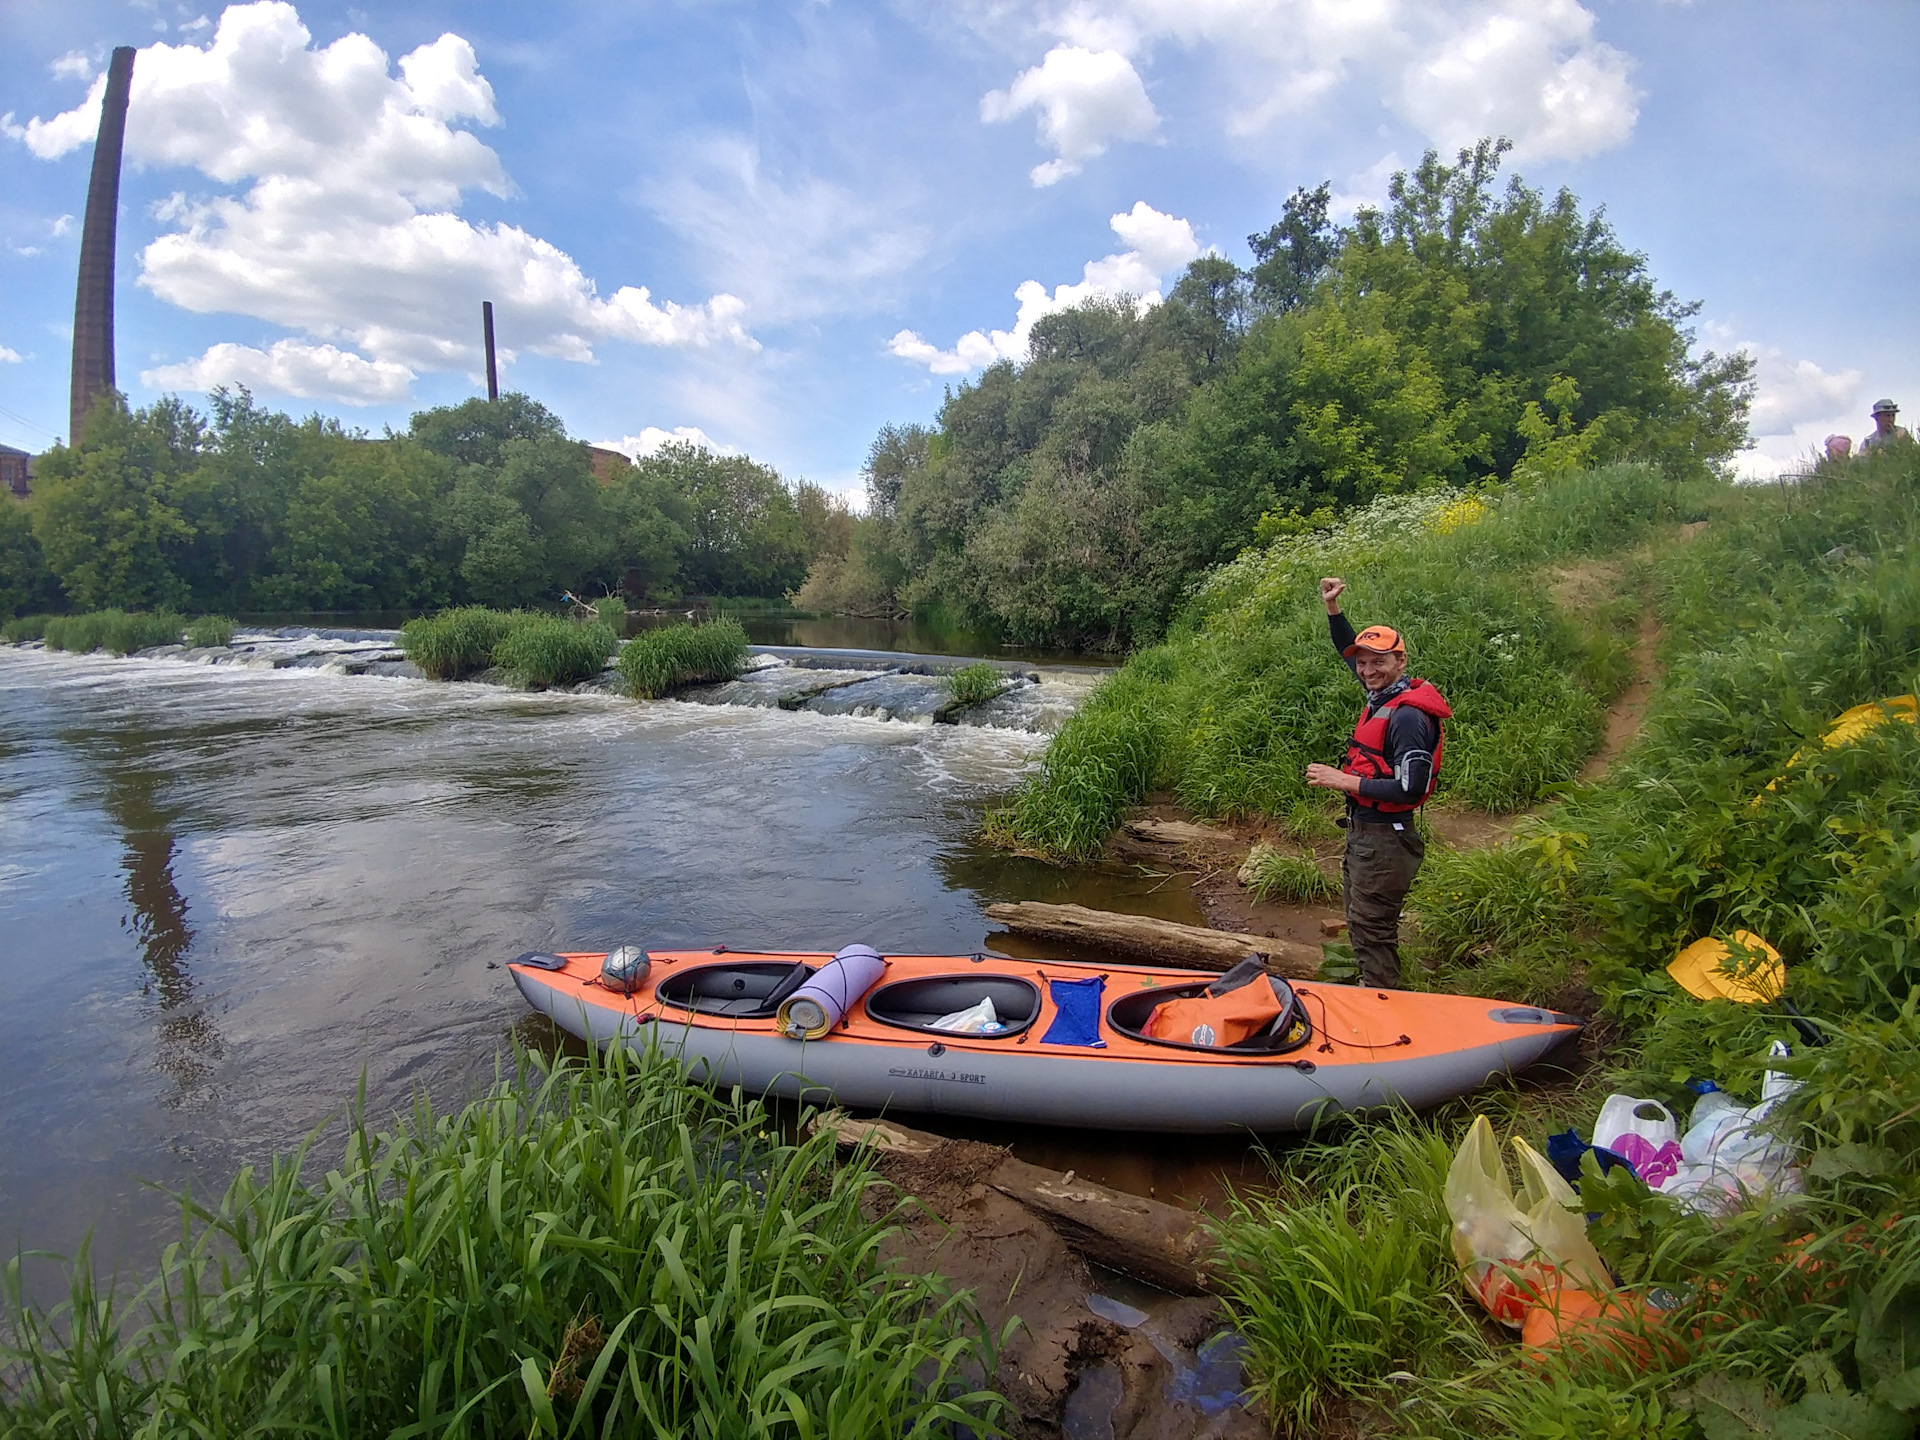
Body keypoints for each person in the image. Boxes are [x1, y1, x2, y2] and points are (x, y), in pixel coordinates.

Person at [1304, 577, 1452, 989]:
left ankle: (1387, 1013)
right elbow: (1347, 651)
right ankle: (1375, 995)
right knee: (1360, 925)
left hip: (1387, 841)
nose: (1367, 670)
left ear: (1400, 662)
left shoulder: (1406, 718)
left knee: (1372, 933)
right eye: (1363, 662)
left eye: (1378, 662)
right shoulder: (1382, 695)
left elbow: (1410, 789)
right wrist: (1333, 608)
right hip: (1368, 837)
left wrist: (1344, 781)